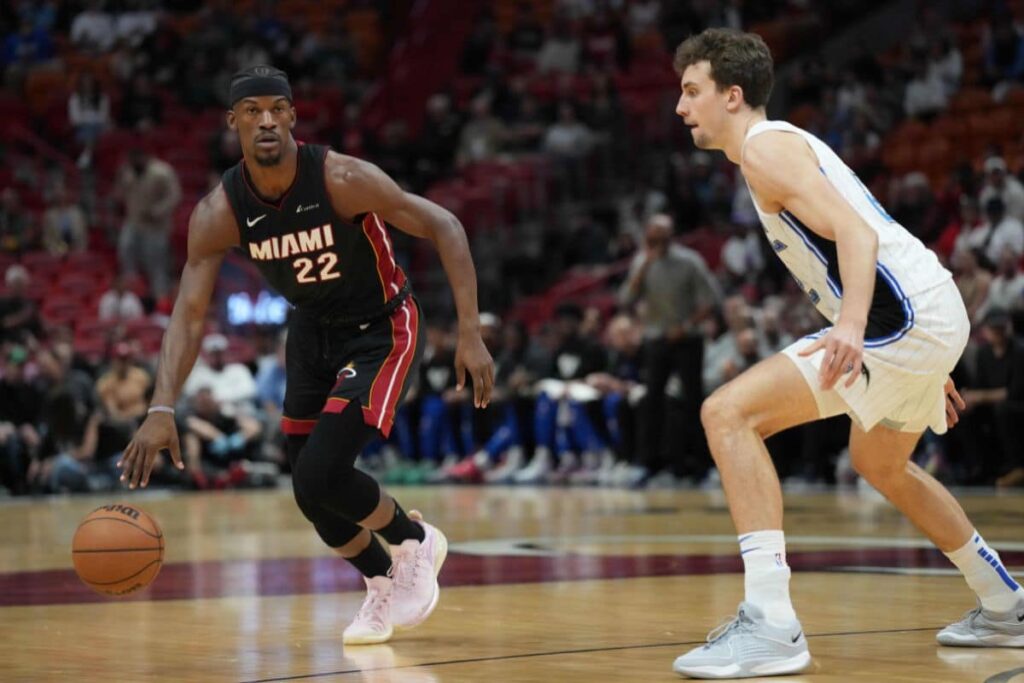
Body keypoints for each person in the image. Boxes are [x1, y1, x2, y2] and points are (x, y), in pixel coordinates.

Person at [668, 29, 1024, 680]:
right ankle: (1005, 604)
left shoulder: (765, 148)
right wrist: (924, 357)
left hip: (902, 316)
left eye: (693, 91)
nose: (681, 106)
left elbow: (856, 234)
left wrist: (857, 328)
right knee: (878, 461)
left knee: (728, 413)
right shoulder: (776, 148)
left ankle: (770, 623)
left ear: (732, 95)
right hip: (923, 312)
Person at [117, 66, 494, 646]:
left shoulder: (341, 178)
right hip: (312, 332)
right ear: (234, 122)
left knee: (323, 472)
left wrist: (469, 332)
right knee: (308, 491)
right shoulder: (219, 212)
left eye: (277, 108)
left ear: (293, 116)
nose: (266, 120)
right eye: (252, 111)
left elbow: (443, 224)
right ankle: (381, 581)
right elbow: (188, 316)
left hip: (381, 327)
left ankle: (415, 541)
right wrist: (162, 407)